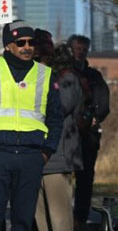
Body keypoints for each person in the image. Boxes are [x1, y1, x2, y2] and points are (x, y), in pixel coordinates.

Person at [0, 21, 63, 231]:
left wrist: (47, 151)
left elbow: (56, 117)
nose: (27, 47)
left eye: (31, 42)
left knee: (23, 222)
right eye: (20, 42)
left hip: (30, 155)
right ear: (8, 45)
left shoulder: (45, 74)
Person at [34, 44, 83, 231]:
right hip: (34, 159)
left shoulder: (67, 80)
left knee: (60, 221)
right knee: (41, 223)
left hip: (57, 161)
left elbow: (59, 108)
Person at [68, 34, 110, 229]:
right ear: (71, 49)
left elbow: (104, 103)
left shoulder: (94, 77)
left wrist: (96, 117)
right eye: (77, 49)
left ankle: (80, 219)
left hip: (88, 136)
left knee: (85, 181)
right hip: (67, 135)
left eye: (84, 49)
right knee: (62, 179)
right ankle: (63, 218)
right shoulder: (62, 73)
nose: (80, 52)